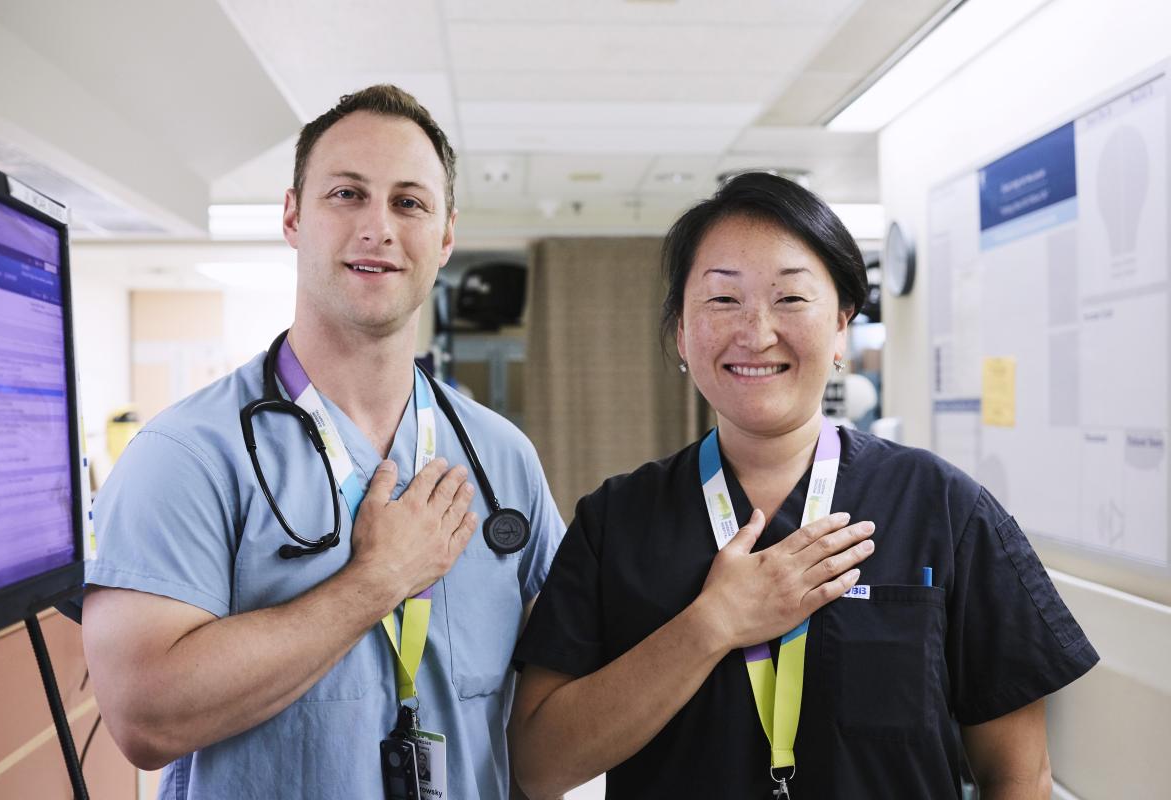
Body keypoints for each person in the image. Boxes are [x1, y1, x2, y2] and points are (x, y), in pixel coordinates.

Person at [509, 172, 1098, 799]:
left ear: (842, 325)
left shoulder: (942, 507)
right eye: (722, 300)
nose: (757, 332)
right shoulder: (617, 521)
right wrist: (712, 625)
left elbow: (1019, 775)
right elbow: (540, 766)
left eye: (790, 299)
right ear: (681, 332)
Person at [82, 85, 564, 799]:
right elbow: (144, 718)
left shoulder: (501, 458)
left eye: (410, 202)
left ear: (447, 235)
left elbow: (559, 694)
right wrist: (375, 582)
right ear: (292, 216)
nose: (378, 227)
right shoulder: (185, 455)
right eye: (346, 194)